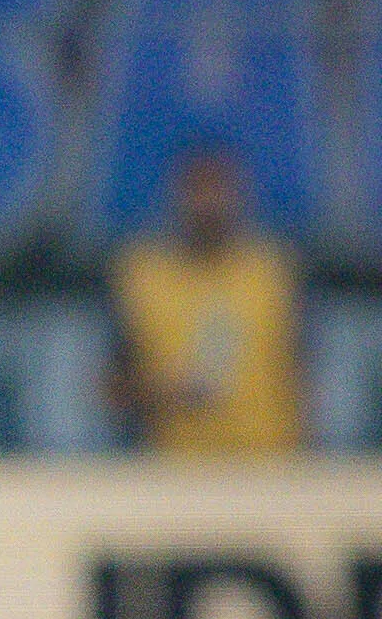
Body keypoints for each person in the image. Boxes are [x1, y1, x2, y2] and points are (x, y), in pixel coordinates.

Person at [108, 143, 307, 455]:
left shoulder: (274, 270)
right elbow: (112, 388)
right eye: (197, 190)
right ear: (175, 195)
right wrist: (164, 393)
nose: (208, 203)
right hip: (175, 467)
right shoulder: (142, 272)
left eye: (218, 189)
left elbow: (307, 370)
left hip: (271, 461)